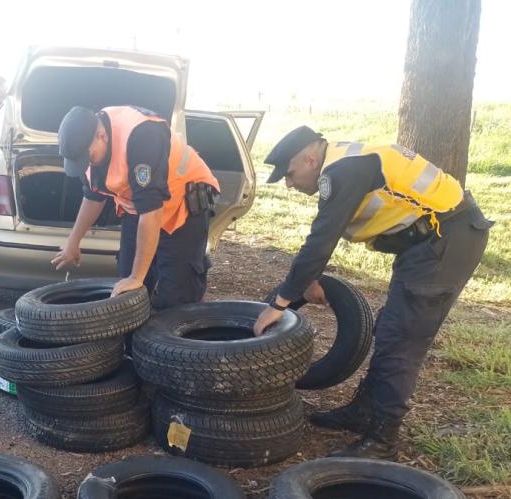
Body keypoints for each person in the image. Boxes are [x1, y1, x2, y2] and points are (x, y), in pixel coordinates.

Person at [253, 126, 492, 459]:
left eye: (290, 175)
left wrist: (279, 303)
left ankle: (383, 439)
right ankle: (365, 411)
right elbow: (326, 232)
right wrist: (305, 282)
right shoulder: (345, 162)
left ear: (310, 158)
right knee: (392, 327)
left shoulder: (344, 170)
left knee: (401, 338)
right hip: (429, 241)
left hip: (445, 239)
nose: (289, 185)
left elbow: (321, 240)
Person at [52, 105, 219, 307]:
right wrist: (73, 241)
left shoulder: (143, 136)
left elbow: (152, 212)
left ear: (102, 136)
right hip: (138, 208)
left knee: (177, 294)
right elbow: (93, 197)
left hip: (183, 206)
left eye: (89, 158)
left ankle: (183, 327)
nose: (88, 164)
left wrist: (137, 277)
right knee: (126, 292)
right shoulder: (86, 151)